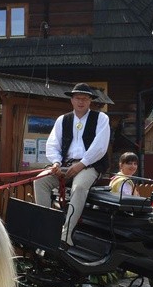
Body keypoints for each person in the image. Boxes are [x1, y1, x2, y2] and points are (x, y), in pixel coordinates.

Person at [33, 82, 111, 247]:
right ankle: (46, 229)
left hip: (90, 165)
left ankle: (66, 234)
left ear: (90, 101)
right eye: (77, 98)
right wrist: (55, 162)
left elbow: (100, 147)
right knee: (40, 180)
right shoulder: (63, 120)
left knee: (80, 187)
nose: (81, 101)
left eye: (85, 98)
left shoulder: (101, 118)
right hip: (65, 164)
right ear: (72, 100)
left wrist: (82, 164)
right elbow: (53, 144)